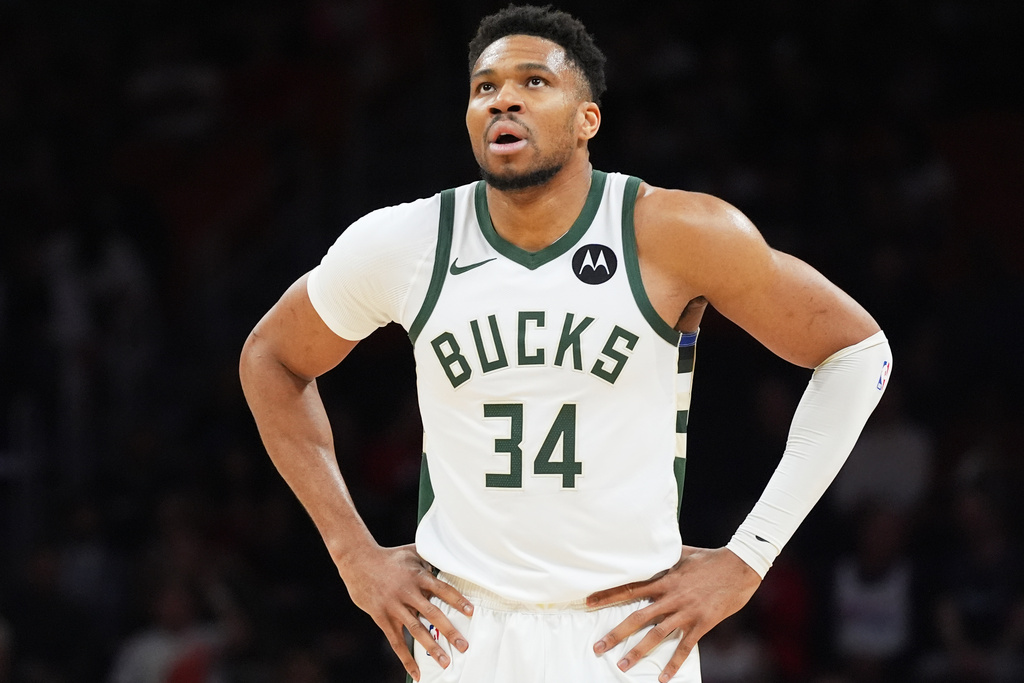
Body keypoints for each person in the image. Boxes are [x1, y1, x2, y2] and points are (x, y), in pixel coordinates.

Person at [239, 5, 893, 682]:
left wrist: (750, 555)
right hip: (464, 632)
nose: (504, 99)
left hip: (628, 632)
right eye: (484, 87)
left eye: (533, 82)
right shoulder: (404, 242)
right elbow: (272, 357)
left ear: (588, 121)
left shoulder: (673, 232)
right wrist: (353, 553)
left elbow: (857, 351)